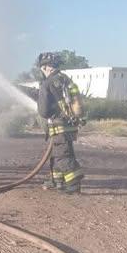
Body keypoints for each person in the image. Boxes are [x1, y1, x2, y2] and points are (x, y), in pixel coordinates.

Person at [36, 52, 85, 194]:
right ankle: (57, 181)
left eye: (42, 68)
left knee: (63, 156)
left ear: (45, 67)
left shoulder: (47, 83)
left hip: (59, 126)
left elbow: (44, 111)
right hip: (69, 124)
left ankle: (73, 185)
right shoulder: (65, 79)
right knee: (57, 154)